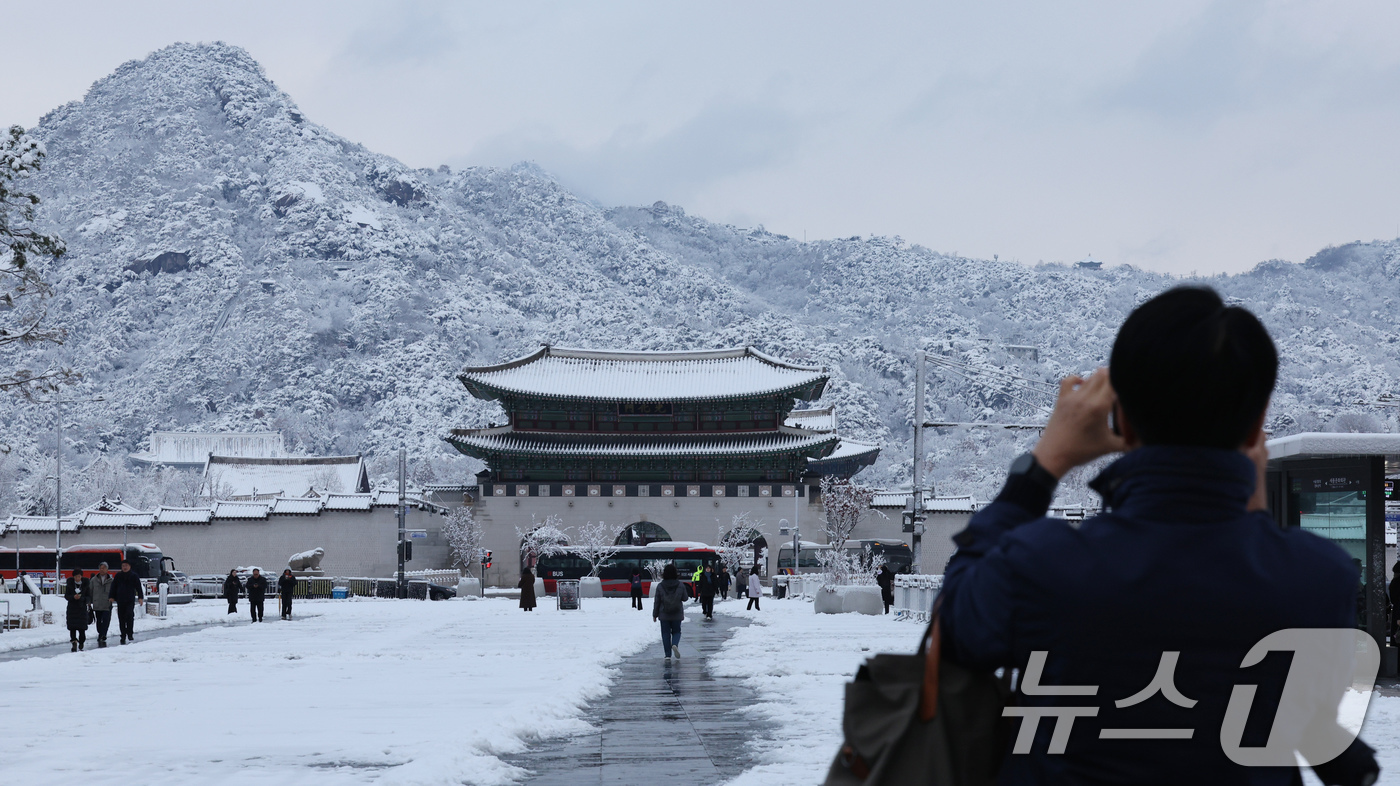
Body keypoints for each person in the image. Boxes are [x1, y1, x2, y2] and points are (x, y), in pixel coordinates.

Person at [938, 287, 1374, 785]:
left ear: (1120, 416)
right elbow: (1302, 706)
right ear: (1258, 425)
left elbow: (952, 629)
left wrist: (1043, 464)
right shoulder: (1321, 578)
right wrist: (1247, 510)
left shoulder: (1040, 564)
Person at [652, 563, 691, 659]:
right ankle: (675, 644)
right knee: (677, 632)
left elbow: (657, 601)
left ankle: (667, 655)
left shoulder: (660, 586)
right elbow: (685, 598)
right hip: (677, 613)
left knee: (665, 634)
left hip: (664, 614)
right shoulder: (680, 585)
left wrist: (655, 614)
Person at [111, 560, 145, 645]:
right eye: (123, 566)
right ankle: (123, 635)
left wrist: (140, 597)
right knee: (121, 618)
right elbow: (113, 587)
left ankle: (130, 633)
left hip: (130, 599)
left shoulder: (134, 576)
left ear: (129, 566)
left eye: (126, 565)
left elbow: (138, 587)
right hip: (120, 600)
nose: (124, 567)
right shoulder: (118, 576)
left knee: (129, 615)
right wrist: (111, 596)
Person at [65, 568, 91, 652]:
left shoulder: (86, 585)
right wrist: (73, 597)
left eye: (79, 576)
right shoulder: (70, 585)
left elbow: (89, 597)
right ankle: (74, 642)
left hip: (82, 609)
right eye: (76, 576)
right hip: (72, 609)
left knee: (82, 628)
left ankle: (81, 642)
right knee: (72, 627)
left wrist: (82, 598)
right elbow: (66, 596)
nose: (77, 578)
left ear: (81, 576)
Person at [89, 562, 114, 648]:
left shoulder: (111, 580)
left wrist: (113, 598)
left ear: (107, 570)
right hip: (97, 603)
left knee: (106, 620)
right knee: (99, 620)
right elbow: (90, 591)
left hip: (107, 603)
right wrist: (89, 601)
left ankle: (103, 634)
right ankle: (100, 632)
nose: (102, 570)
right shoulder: (94, 580)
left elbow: (114, 590)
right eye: (101, 568)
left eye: (104, 568)